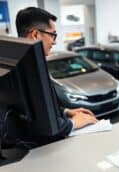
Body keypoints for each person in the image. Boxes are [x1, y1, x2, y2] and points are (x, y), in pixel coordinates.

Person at [15, 7, 98, 146]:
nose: (54, 41)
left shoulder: (26, 64)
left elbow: (38, 108)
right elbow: (39, 125)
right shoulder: (27, 70)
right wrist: (72, 124)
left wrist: (66, 112)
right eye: (52, 35)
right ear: (36, 35)